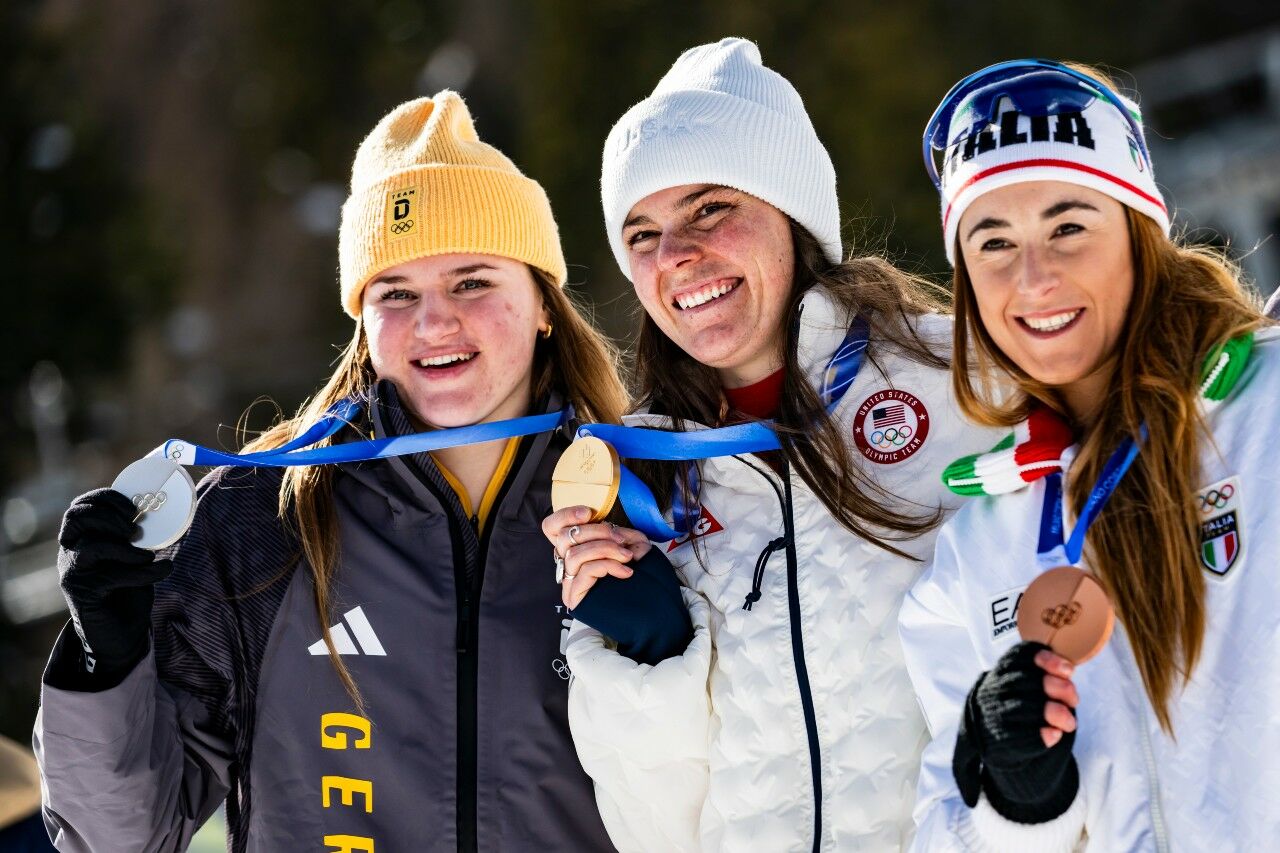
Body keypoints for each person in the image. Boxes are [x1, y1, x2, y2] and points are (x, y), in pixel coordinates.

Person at [34, 91, 625, 852]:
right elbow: (119, 839)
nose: (434, 321)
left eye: (472, 281)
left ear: (544, 302)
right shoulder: (262, 521)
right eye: (396, 293)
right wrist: (103, 657)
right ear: (362, 322)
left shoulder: (642, 496)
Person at [541, 38, 1001, 851]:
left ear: (793, 216)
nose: (675, 256)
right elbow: (657, 827)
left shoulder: (967, 380)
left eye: (710, 209)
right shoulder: (635, 475)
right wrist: (646, 647)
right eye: (641, 234)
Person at [899, 60, 1279, 851]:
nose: (1033, 278)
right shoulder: (979, 548)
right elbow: (946, 834)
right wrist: (1017, 799)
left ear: (1140, 231)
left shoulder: (1266, 410)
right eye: (993, 241)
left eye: (1068, 226)